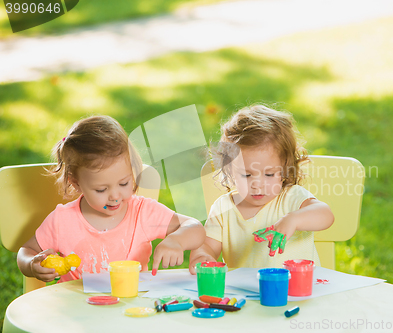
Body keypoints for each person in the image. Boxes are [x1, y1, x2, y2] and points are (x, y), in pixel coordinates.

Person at [17, 115, 205, 282]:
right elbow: (26, 251)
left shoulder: (142, 212)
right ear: (75, 183)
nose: (115, 196)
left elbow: (195, 227)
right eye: (101, 189)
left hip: (130, 308)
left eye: (124, 183)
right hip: (77, 310)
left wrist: (177, 241)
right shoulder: (62, 221)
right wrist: (32, 265)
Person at [189, 105, 334, 273]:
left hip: (297, 292)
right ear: (229, 170)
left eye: (269, 174)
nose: (257, 184)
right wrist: (202, 256)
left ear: (285, 169)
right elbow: (207, 245)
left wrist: (293, 220)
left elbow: (325, 215)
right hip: (245, 295)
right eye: (247, 175)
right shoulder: (223, 209)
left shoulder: (291, 198)